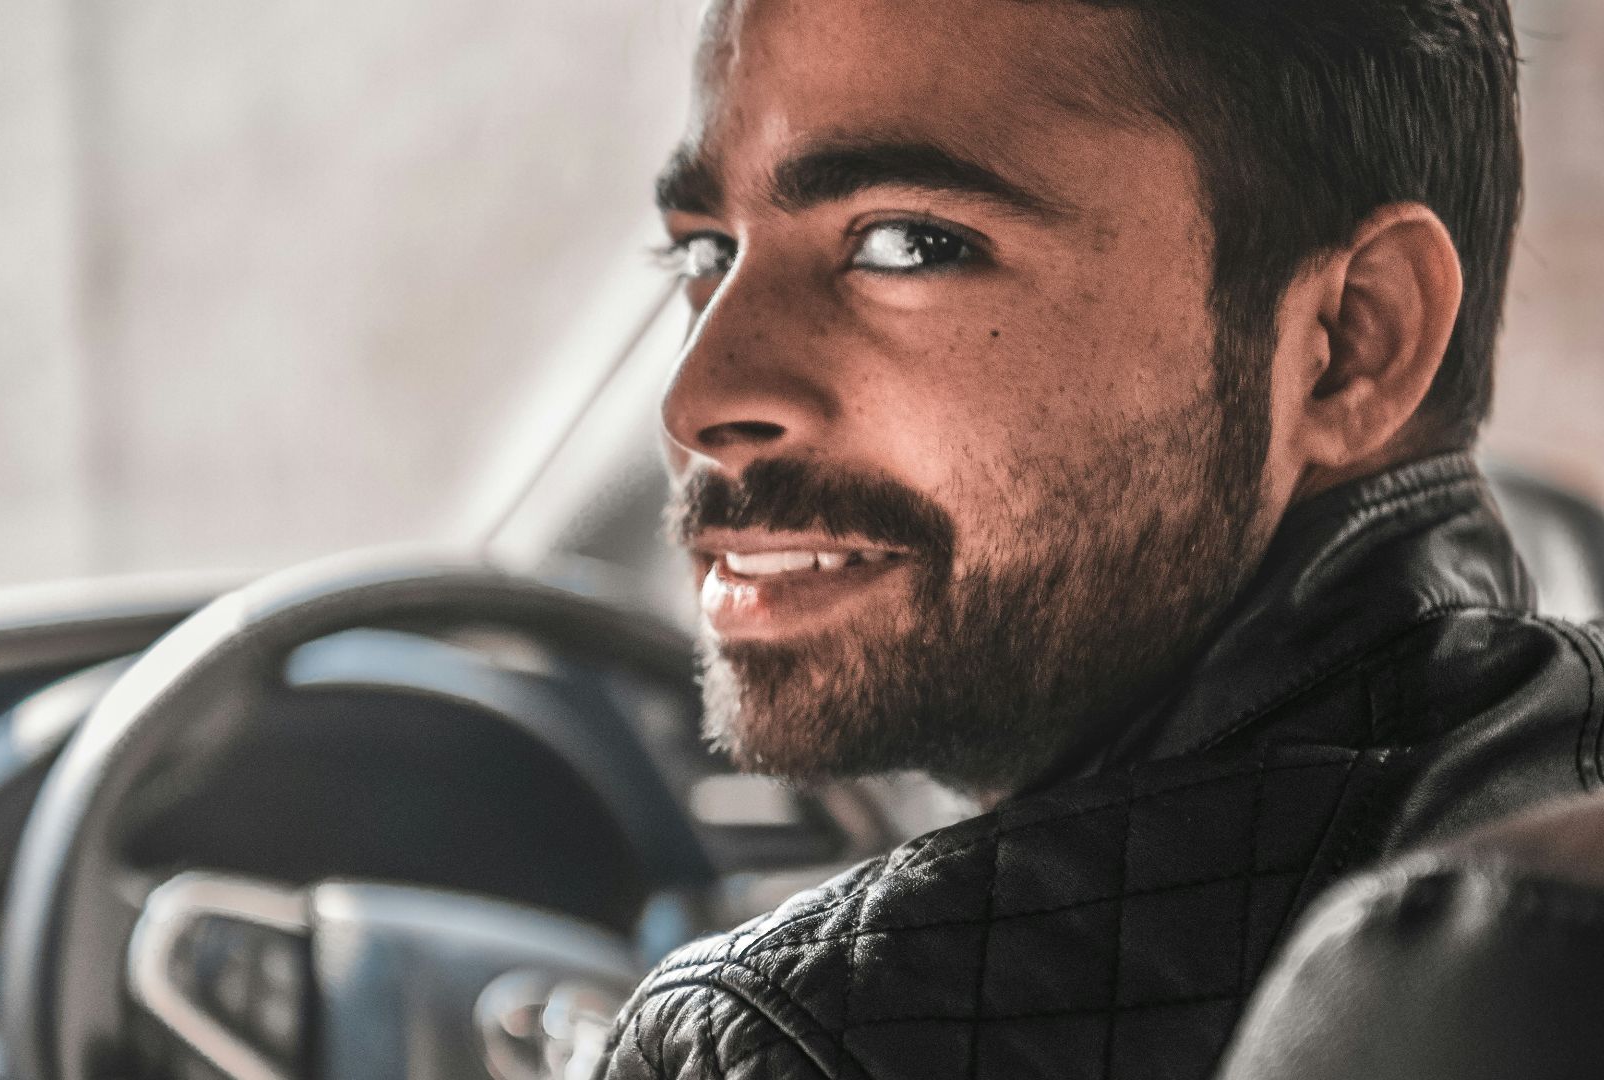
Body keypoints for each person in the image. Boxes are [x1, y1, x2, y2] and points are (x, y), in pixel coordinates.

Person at [596, 0, 1604, 1076]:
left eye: (911, 244)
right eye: (705, 250)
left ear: (1351, 341)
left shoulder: (802, 1042)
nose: (698, 400)